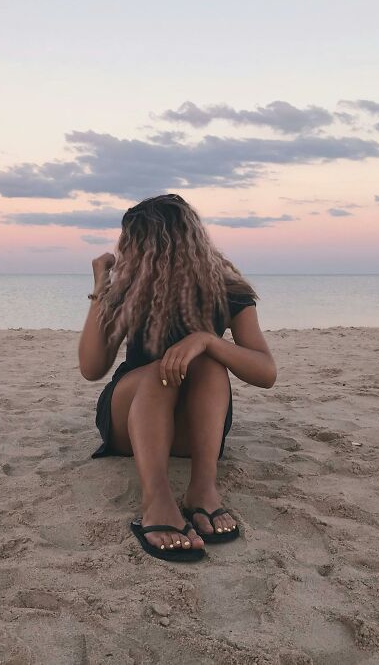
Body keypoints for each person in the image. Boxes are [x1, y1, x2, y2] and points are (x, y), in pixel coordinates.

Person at [78, 194, 276, 561]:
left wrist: (206, 341)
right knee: (159, 374)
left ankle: (203, 489)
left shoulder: (227, 291)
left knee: (210, 363)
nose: (126, 253)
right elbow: (92, 368)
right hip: (132, 421)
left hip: (195, 430)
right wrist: (100, 288)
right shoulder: (129, 291)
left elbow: (266, 372)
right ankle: (157, 498)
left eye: (131, 243)